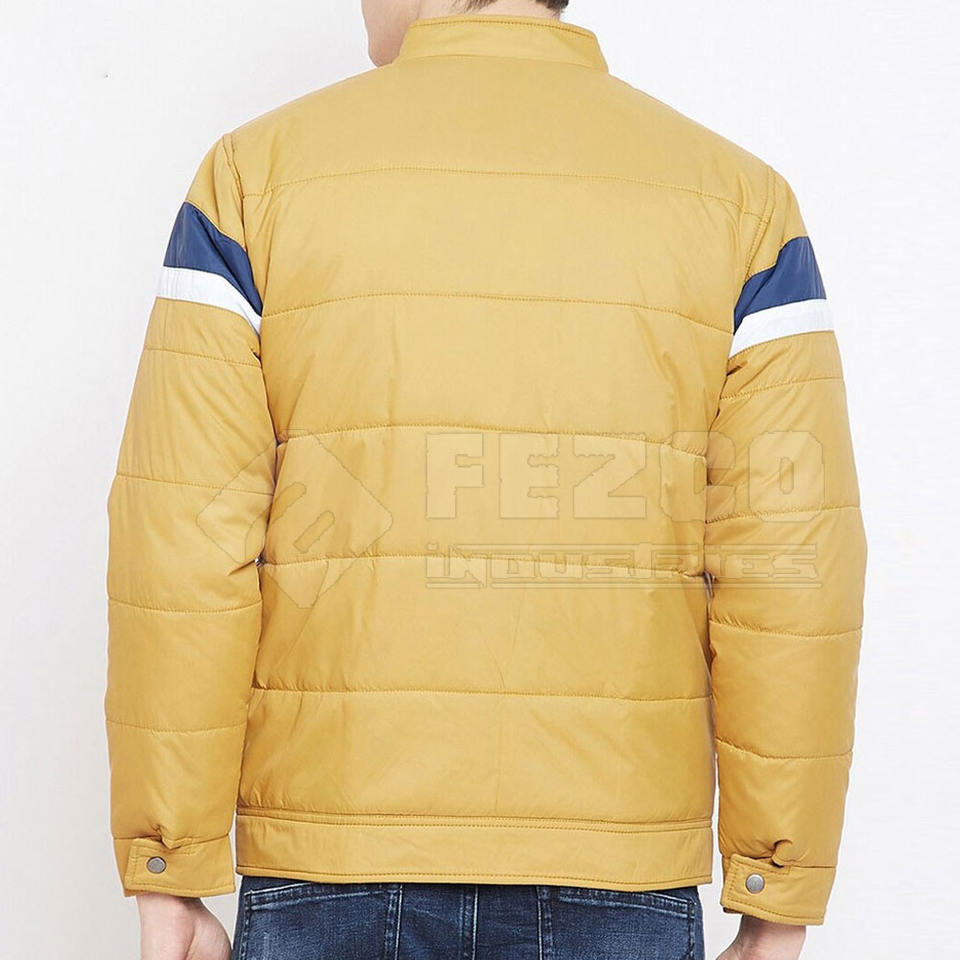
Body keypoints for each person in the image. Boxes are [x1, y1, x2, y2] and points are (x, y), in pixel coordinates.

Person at [105, 0, 866, 958]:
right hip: (616, 865)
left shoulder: (253, 179)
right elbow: (790, 562)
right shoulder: (741, 206)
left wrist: (170, 868)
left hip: (331, 862)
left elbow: (183, 544)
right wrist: (775, 893)